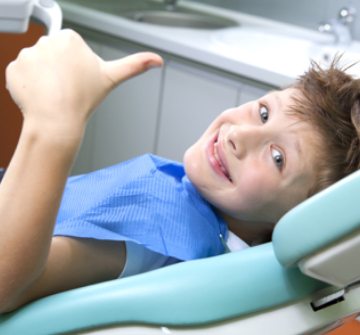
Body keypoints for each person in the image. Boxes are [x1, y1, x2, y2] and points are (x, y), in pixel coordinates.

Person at [0, 30, 359, 313]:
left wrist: (52, 128)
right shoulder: (195, 219)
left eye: (277, 157)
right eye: (264, 113)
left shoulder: (158, 241)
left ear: (295, 217)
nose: (239, 136)